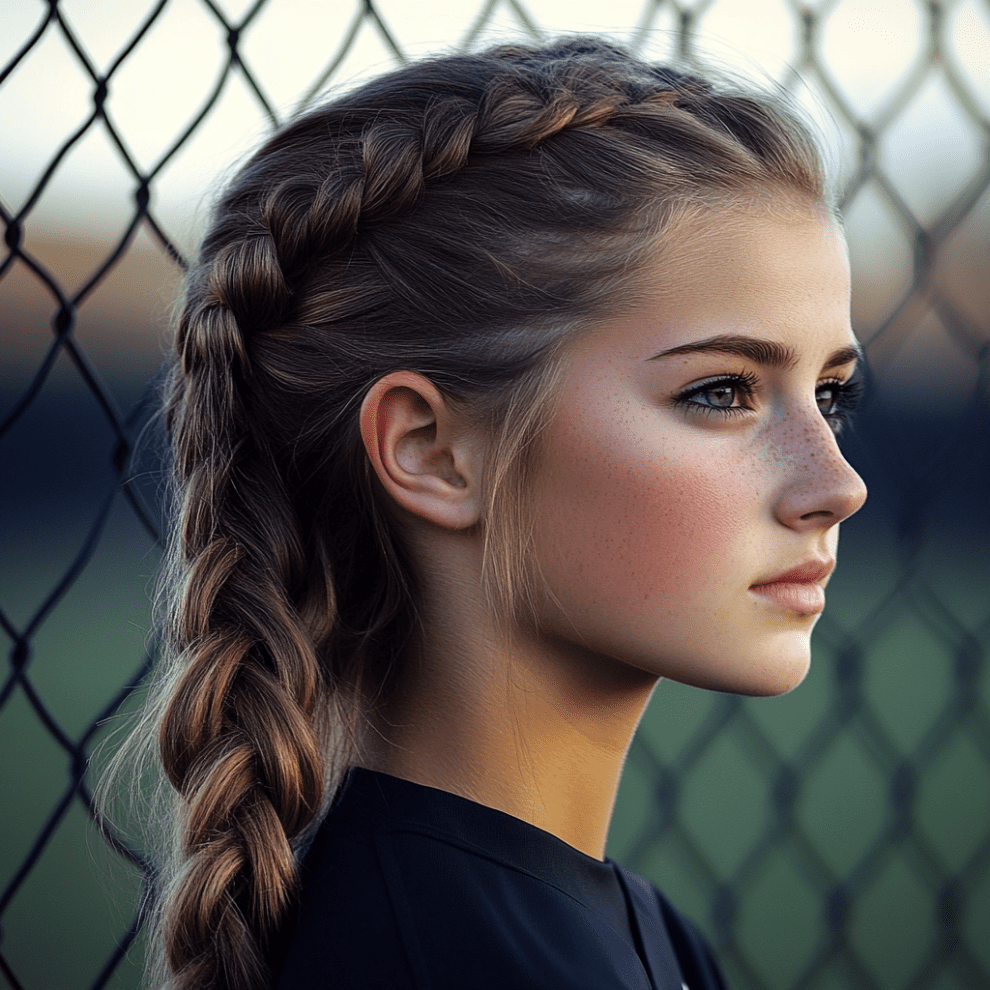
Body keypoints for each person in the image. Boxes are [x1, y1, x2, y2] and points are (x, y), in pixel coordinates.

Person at [102, 36, 867, 990]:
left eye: (831, 395)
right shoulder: (430, 958)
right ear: (431, 451)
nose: (838, 485)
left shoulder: (648, 938)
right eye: (722, 392)